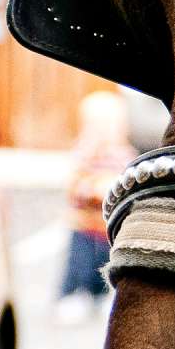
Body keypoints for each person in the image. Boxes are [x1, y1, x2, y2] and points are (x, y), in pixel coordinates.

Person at [56, 89, 130, 323]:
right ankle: (74, 294)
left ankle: (104, 295)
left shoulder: (123, 155)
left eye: (110, 126)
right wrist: (94, 188)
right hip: (84, 224)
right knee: (80, 261)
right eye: (99, 127)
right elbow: (75, 185)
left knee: (106, 261)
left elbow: (126, 181)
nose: (105, 133)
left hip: (107, 226)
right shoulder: (83, 154)